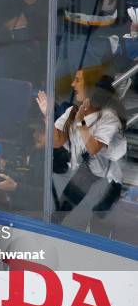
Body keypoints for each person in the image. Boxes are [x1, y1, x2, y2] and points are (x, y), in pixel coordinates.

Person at [40, 69, 127, 225]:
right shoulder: (72, 111)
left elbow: (94, 147)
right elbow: (57, 141)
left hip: (108, 181)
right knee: (61, 211)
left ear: (92, 88)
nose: (73, 84)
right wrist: (48, 116)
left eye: (78, 80)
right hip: (87, 170)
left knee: (97, 222)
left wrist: (81, 123)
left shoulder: (109, 117)